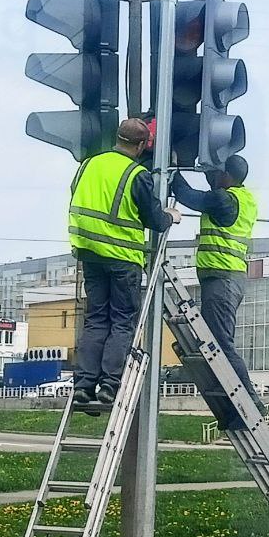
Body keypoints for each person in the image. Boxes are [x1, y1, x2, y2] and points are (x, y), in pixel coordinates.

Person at [68, 118, 179, 407]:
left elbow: (78, 195)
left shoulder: (88, 165)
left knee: (95, 320)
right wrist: (170, 216)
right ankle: (109, 384)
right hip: (123, 259)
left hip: (90, 254)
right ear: (142, 145)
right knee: (121, 322)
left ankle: (83, 384)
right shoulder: (136, 174)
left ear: (117, 138)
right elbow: (154, 220)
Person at [170, 154, 260, 427]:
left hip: (222, 279)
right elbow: (211, 182)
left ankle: (250, 403)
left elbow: (188, 195)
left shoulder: (223, 200)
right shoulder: (241, 198)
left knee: (221, 344)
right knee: (216, 343)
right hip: (226, 278)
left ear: (227, 177)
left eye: (218, 174)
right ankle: (234, 408)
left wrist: (169, 167)